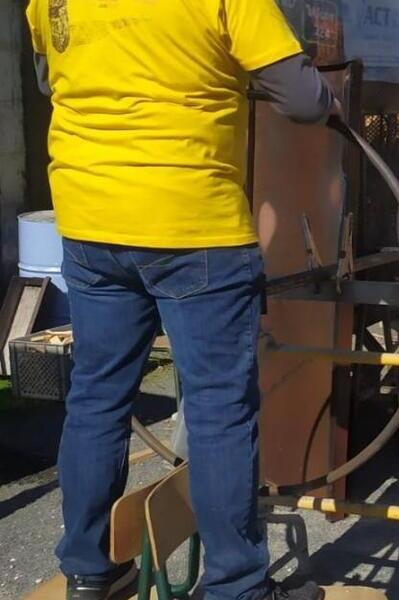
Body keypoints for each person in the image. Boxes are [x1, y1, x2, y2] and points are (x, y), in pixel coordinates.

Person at [25, 1, 338, 599]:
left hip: (92, 224)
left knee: (96, 398)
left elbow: (51, 77)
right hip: (195, 229)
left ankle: (89, 573)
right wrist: (328, 100)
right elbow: (300, 99)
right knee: (220, 410)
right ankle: (235, 588)